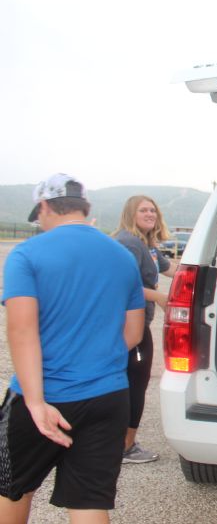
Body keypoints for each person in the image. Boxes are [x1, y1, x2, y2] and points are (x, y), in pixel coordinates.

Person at [0, 174, 145, 524]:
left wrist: (35, 402)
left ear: (45, 206)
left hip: (45, 396)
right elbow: (134, 332)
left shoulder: (27, 254)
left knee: (11, 488)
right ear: (85, 207)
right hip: (108, 396)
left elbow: (22, 331)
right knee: (88, 501)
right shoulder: (122, 256)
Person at [112, 195, 177, 464]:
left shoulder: (147, 245)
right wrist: (159, 297)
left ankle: (119, 443)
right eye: (143, 210)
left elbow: (171, 269)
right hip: (130, 324)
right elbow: (121, 285)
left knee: (133, 382)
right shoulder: (129, 244)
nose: (150, 214)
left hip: (139, 321)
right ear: (131, 214)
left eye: (153, 210)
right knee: (135, 384)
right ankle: (125, 448)